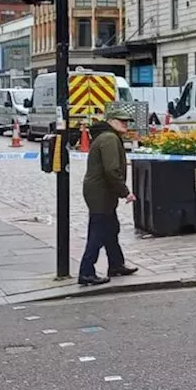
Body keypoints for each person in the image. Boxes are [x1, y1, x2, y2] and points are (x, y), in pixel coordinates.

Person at [78, 114, 139, 286]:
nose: (125, 124)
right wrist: (125, 192)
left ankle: (116, 264)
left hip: (100, 191)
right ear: (111, 122)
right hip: (101, 193)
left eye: (127, 122)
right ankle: (86, 272)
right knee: (97, 233)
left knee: (111, 229)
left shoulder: (107, 136)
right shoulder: (110, 138)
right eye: (122, 121)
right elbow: (111, 170)